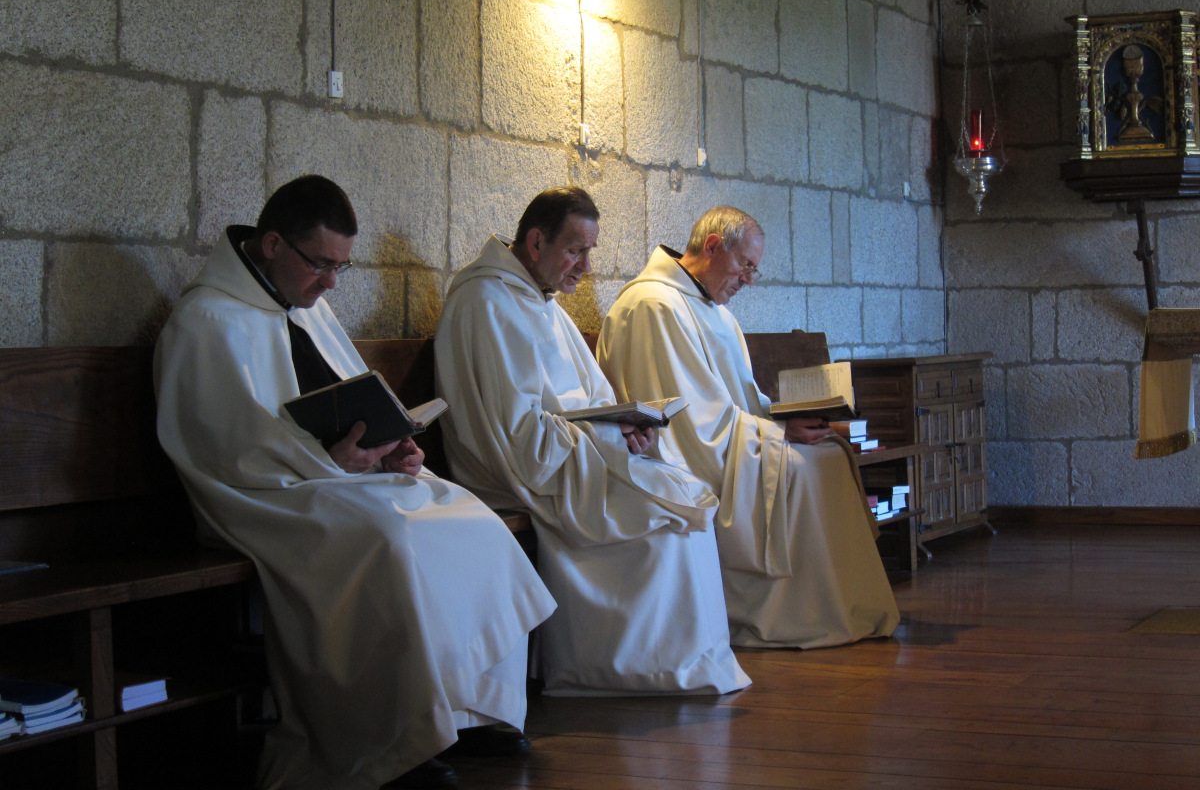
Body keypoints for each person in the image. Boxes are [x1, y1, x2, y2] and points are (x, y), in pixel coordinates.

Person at [154, 175, 556, 790]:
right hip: (261, 496)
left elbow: (355, 396)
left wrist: (393, 445)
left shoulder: (308, 307)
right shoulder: (205, 320)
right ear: (272, 245)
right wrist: (331, 463)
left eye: (340, 267)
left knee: (467, 515)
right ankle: (392, 743)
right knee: (388, 539)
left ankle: (469, 710)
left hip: (336, 479)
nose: (330, 284)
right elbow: (224, 450)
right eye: (321, 264)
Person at [433, 187, 749, 697]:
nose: (585, 266)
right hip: (527, 472)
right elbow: (514, 434)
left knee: (684, 496)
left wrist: (630, 427)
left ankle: (684, 662)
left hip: (574, 456)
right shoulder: (486, 302)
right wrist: (607, 435)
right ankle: (630, 668)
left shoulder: (543, 302)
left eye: (590, 251)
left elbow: (597, 401)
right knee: (666, 521)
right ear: (536, 242)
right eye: (576, 250)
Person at [597, 206, 900, 649]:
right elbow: (692, 425)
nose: (748, 280)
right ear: (713, 246)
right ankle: (804, 612)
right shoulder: (653, 306)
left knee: (833, 455)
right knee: (807, 469)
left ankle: (839, 605)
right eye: (746, 265)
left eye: (754, 270)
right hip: (681, 455)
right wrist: (778, 436)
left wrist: (786, 417)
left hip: (728, 440)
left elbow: (742, 399)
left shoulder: (713, 310)